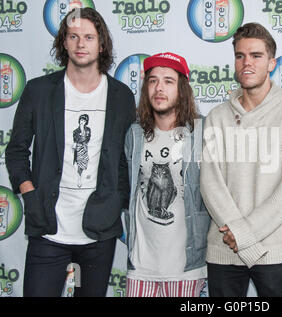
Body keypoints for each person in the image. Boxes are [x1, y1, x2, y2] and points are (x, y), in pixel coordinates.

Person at [5, 8, 136, 297]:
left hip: (99, 229)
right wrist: (29, 194)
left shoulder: (121, 96)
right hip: (49, 228)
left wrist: (117, 200)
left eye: (88, 37)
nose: (80, 44)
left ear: (101, 44)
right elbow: (16, 151)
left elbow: (128, 159)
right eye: (73, 36)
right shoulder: (38, 91)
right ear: (63, 43)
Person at [200, 23, 282, 297]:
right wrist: (239, 236)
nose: (247, 63)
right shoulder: (216, 116)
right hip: (223, 250)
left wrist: (242, 234)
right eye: (240, 56)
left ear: (272, 63)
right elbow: (210, 184)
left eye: (256, 55)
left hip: (273, 251)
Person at [123, 52, 210, 297]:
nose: (159, 88)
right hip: (140, 267)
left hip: (186, 268)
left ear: (182, 90)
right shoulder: (134, 135)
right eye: (153, 81)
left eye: (168, 81)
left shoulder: (201, 132)